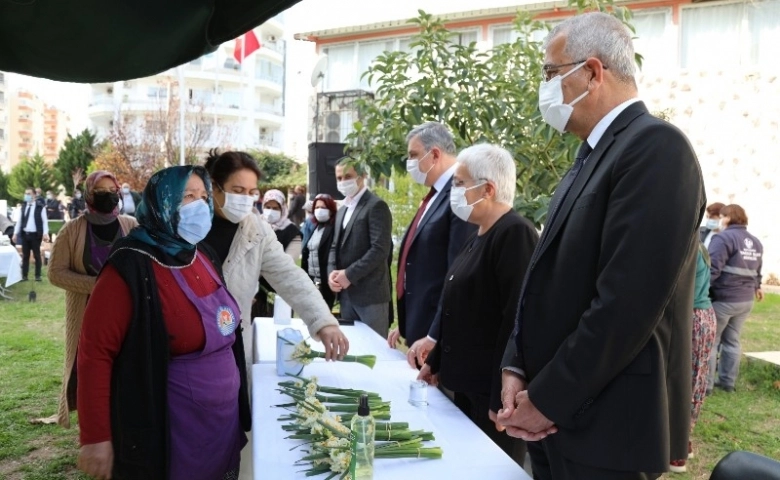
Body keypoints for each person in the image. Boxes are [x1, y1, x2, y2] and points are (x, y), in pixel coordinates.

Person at [496, 12, 705, 479]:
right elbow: (545, 275)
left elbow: (625, 305)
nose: (545, 87)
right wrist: (518, 366)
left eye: (551, 73)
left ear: (592, 72)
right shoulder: (594, 151)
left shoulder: (656, 148)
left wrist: (548, 399)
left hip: (605, 426)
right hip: (557, 416)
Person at [77, 165, 248, 479]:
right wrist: (96, 436)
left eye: (202, 196)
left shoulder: (203, 253)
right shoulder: (129, 266)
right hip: (172, 428)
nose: (199, 205)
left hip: (221, 422)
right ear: (162, 202)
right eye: (187, 197)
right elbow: (94, 355)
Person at [201, 151, 348, 480]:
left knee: (232, 426)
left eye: (252, 192)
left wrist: (322, 320)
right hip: (188, 350)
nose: (246, 199)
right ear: (214, 187)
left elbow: (289, 275)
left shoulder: (255, 228)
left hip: (231, 345)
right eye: (237, 190)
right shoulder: (188, 223)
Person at [417, 144, 536, 468]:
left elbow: (515, 319)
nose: (453, 190)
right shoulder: (479, 234)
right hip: (465, 386)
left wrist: (502, 396)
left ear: (488, 189)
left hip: (491, 395)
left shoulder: (514, 234)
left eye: (459, 182)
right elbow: (458, 307)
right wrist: (436, 361)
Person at [47, 171, 138, 428]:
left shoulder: (131, 226)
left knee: (126, 366)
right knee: (91, 370)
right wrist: (97, 285)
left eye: (112, 191)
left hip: (126, 312)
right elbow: (55, 273)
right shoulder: (72, 230)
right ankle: (95, 427)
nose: (108, 196)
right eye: (101, 192)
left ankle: (122, 421)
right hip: (88, 314)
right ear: (88, 195)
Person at [386, 121, 476, 368]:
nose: (410, 162)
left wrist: (435, 335)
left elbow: (455, 274)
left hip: (437, 338)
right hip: (420, 329)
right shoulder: (434, 196)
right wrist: (405, 325)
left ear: (435, 154)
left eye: (413, 155)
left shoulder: (458, 195)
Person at [328, 158, 393, 337]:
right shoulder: (342, 210)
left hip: (371, 296)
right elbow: (334, 247)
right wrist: (332, 274)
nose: (342, 182)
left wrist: (349, 275)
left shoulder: (376, 206)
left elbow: (380, 250)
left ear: (362, 176)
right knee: (353, 349)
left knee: (375, 353)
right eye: (339, 178)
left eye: (347, 176)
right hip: (346, 295)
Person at [670, 243, 717, 473]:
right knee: (694, 380)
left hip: (693, 318)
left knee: (685, 381)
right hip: (704, 316)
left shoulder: (687, 244)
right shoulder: (699, 245)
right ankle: (682, 442)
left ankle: (679, 447)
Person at [707, 204, 763, 395]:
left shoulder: (723, 238)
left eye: (721, 217)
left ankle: (705, 386)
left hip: (724, 298)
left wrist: (700, 293)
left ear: (728, 218)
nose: (719, 221)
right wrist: (758, 287)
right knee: (732, 341)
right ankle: (727, 383)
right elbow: (757, 271)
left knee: (712, 341)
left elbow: (712, 269)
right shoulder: (755, 241)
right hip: (745, 300)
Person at [301, 193, 338, 310]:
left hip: (325, 282)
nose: (319, 210)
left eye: (323, 207)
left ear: (331, 209)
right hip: (313, 280)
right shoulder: (315, 227)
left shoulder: (334, 229)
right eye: (317, 208)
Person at [13, 187, 50, 281]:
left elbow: (44, 221)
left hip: (35, 235)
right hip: (25, 234)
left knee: (37, 255)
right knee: (25, 256)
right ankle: (24, 276)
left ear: (34, 195)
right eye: (26, 194)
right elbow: (19, 221)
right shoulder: (24, 206)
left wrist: (45, 233)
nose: (27, 196)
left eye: (29, 194)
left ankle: (38, 276)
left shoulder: (40, 206)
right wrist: (15, 233)